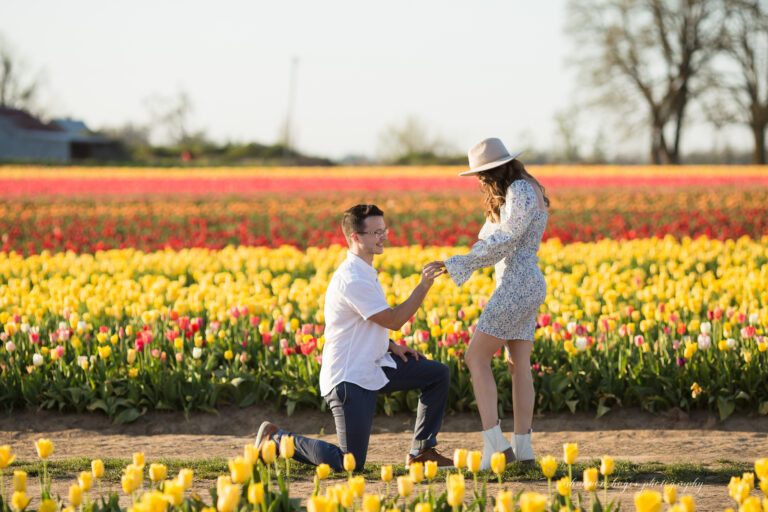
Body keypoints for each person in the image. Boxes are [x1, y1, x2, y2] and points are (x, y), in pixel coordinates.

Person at [255, 204, 453, 470]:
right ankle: (276, 439)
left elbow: (364, 324)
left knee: (436, 374)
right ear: (355, 237)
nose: (383, 237)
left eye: (384, 230)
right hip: (349, 378)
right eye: (375, 232)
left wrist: (393, 346)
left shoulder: (364, 271)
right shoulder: (352, 278)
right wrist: (423, 285)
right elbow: (393, 320)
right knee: (349, 463)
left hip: (375, 364)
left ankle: (422, 451)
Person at [435, 137, 549, 468]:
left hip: (517, 283)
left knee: (475, 358)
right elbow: (490, 235)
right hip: (527, 283)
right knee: (518, 366)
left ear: (496, 169)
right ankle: (524, 450)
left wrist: (457, 263)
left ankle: (496, 445)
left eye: (483, 174)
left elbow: (504, 240)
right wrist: (464, 257)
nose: (481, 181)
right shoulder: (527, 188)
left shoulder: (520, 191)